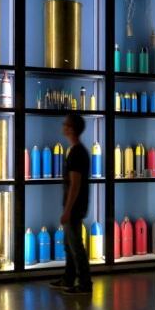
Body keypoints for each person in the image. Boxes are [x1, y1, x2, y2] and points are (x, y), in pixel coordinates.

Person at [50, 113, 92, 295]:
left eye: (65, 124)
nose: (63, 126)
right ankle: (68, 278)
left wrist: (67, 210)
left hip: (74, 207)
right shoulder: (76, 151)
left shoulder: (77, 153)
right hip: (75, 206)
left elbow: (75, 185)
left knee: (76, 246)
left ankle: (84, 283)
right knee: (69, 245)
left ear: (72, 129)